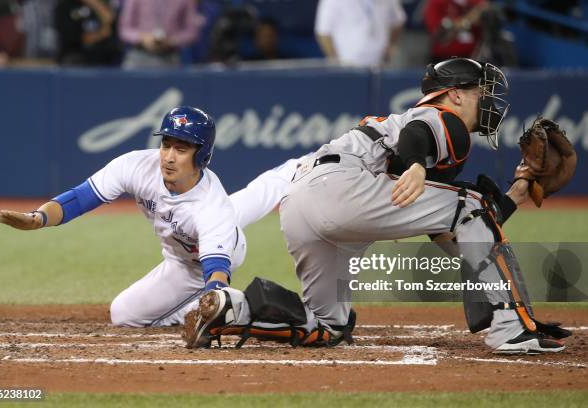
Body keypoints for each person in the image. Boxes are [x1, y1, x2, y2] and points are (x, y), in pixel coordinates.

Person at [183, 58, 572, 354]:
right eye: (479, 91)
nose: (487, 100)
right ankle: (513, 326)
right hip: (342, 188)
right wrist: (418, 164)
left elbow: (457, 230)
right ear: (454, 94)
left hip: (301, 202)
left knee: (327, 326)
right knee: (470, 203)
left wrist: (519, 191)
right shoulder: (444, 118)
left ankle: (234, 312)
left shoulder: (430, 135)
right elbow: (420, 137)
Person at [0, 106, 299, 327]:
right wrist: (38, 218)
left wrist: (215, 299)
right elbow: (80, 198)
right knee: (254, 195)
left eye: (181, 148)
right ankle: (295, 167)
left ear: (201, 155)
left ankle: (243, 308)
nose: (168, 156)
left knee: (125, 314)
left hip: (202, 260)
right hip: (183, 246)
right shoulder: (137, 166)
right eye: (166, 144)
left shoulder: (212, 208)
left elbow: (216, 271)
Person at [314, 0, 406, 68]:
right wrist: (335, 61)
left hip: (380, 65)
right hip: (347, 65)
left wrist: (390, 44)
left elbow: (398, 21)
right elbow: (323, 33)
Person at [118, 0, 204, 69]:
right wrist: (142, 38)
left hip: (170, 57)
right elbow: (124, 29)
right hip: (139, 56)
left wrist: (172, 41)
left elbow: (192, 31)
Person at [55, 0, 121, 66]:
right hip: (76, 56)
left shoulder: (102, 5)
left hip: (104, 57)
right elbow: (70, 38)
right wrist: (100, 35)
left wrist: (95, 4)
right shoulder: (65, 6)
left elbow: (110, 25)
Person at [424, 0, 490, 62]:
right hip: (444, 60)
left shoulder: (473, 2)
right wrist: (466, 21)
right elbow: (440, 34)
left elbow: (485, 8)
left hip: (474, 59)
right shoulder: (437, 3)